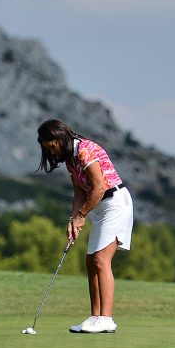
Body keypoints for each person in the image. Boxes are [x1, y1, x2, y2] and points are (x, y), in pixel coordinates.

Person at [37, 119, 134, 334]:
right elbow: (80, 191)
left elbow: (98, 188)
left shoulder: (84, 151)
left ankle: (107, 319)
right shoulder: (70, 158)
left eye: (51, 146)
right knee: (90, 261)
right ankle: (95, 317)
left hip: (115, 203)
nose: (51, 152)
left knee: (101, 260)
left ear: (59, 138)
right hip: (100, 207)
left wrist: (81, 216)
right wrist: (73, 220)